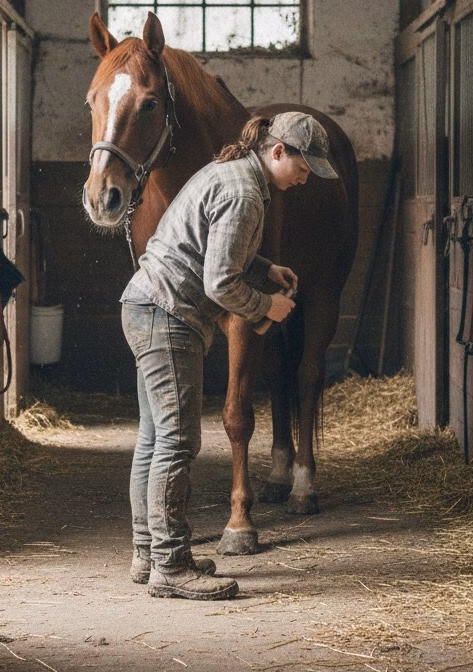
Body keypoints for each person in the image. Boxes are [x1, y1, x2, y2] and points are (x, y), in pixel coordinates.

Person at [120, 111, 339, 600]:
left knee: (154, 438)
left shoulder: (235, 173)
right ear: (278, 151)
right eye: (304, 167)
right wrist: (270, 306)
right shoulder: (245, 192)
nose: (306, 178)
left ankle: (149, 554)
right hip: (168, 314)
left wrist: (265, 266)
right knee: (176, 442)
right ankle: (171, 567)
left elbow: (212, 246)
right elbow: (220, 283)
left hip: (144, 302)